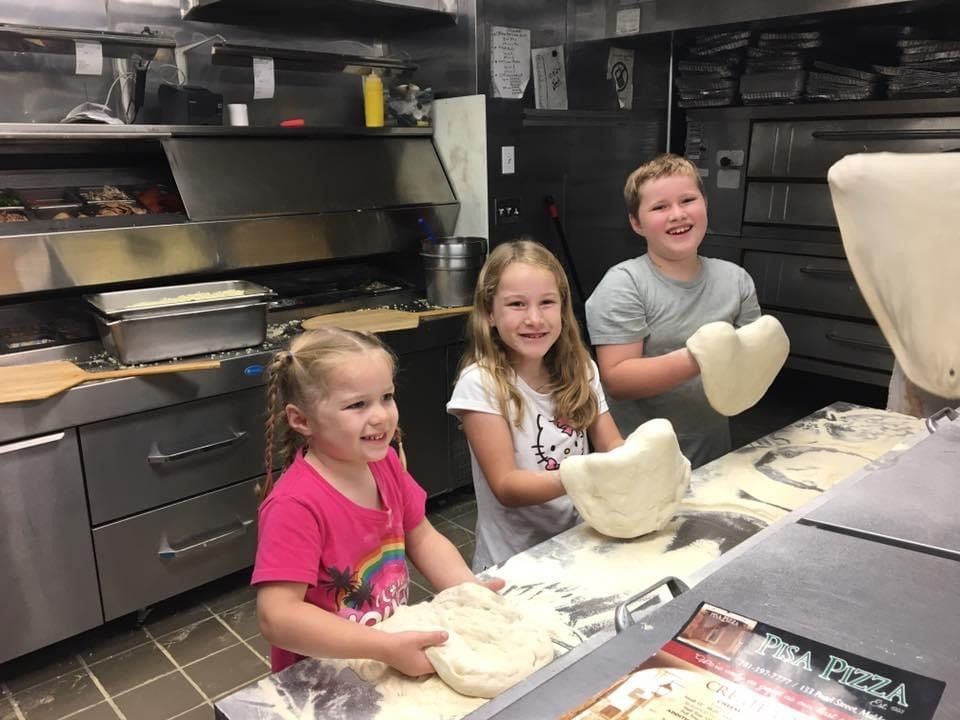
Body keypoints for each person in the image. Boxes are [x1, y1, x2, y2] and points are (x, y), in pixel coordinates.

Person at [253, 327, 503, 675]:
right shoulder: (295, 505)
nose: (381, 416)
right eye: (357, 404)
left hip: (384, 649)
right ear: (302, 420)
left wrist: (467, 591)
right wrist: (386, 648)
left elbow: (423, 537)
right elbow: (277, 616)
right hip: (324, 674)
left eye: (386, 396)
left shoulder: (383, 463)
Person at [447, 239, 623, 572]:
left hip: (579, 543)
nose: (534, 318)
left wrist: (636, 461)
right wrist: (589, 476)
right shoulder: (481, 384)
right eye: (516, 304)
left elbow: (610, 442)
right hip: (513, 564)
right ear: (489, 313)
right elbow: (507, 486)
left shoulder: (580, 368)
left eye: (546, 302)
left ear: (563, 308)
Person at [585, 153, 761, 468]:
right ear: (637, 223)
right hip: (640, 462)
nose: (677, 214)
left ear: (705, 204)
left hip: (716, 453)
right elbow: (618, 380)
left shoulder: (736, 280)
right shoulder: (624, 285)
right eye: (659, 207)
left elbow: (751, 362)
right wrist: (701, 356)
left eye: (687, 200)